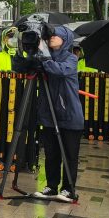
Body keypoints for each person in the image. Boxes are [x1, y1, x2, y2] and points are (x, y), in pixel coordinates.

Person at [31, 26, 84, 203]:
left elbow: (59, 70)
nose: (52, 37)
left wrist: (44, 56)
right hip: (49, 114)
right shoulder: (44, 58)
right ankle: (51, 186)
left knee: (69, 155)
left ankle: (68, 189)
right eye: (50, 35)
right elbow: (23, 69)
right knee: (51, 153)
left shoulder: (71, 58)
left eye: (56, 35)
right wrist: (29, 52)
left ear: (66, 39)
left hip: (69, 115)